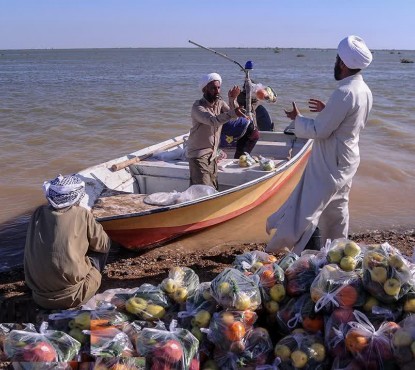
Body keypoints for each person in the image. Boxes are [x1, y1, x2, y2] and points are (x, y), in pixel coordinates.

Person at [266, 35, 373, 255]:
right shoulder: (364, 91)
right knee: (337, 207)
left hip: (331, 159)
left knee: (307, 207)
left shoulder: (344, 93)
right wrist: (327, 110)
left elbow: (319, 130)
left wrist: (297, 119)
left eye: (336, 59)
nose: (335, 64)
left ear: (343, 63)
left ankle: (280, 247)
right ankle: (337, 250)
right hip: (348, 156)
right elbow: (348, 123)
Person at [24, 174, 111, 309]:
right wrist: (93, 224)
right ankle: (90, 288)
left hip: (39, 296)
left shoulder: (38, 212)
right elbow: (103, 245)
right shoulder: (82, 213)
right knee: (99, 250)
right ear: (78, 196)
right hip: (73, 297)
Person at [187, 72, 247, 189]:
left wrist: (232, 99)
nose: (217, 91)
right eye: (213, 88)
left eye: (219, 88)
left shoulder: (220, 103)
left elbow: (233, 114)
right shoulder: (198, 107)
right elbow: (213, 121)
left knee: (213, 188)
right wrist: (233, 112)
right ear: (205, 89)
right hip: (199, 156)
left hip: (213, 156)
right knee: (202, 191)